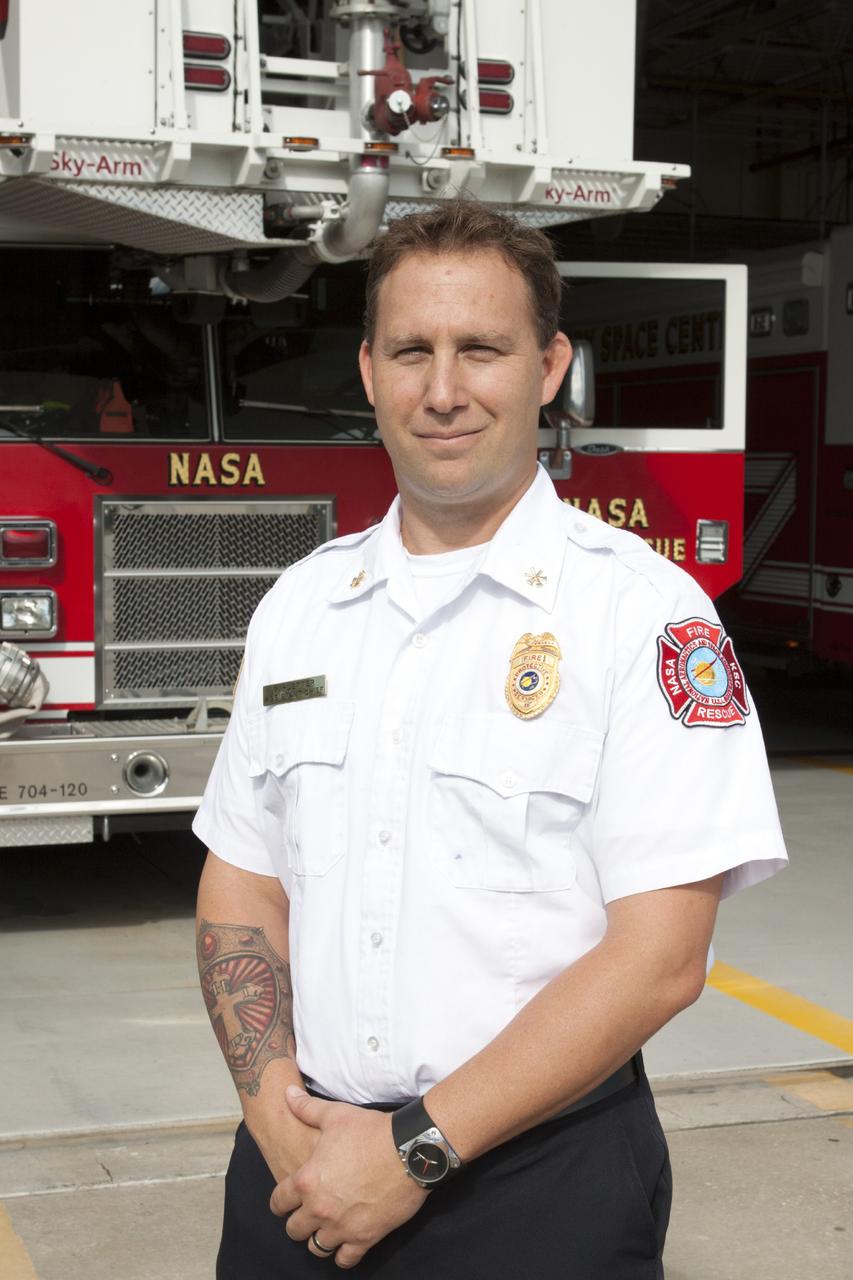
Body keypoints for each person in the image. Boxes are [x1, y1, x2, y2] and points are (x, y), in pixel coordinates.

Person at [193, 201, 788, 1279]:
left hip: (533, 1186)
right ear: (369, 370)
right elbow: (242, 882)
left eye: (483, 348)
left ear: (551, 364)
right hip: (298, 1169)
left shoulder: (646, 615)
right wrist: (275, 1115)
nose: (445, 389)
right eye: (413, 350)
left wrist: (410, 1150)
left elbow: (660, 958)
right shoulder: (299, 605)